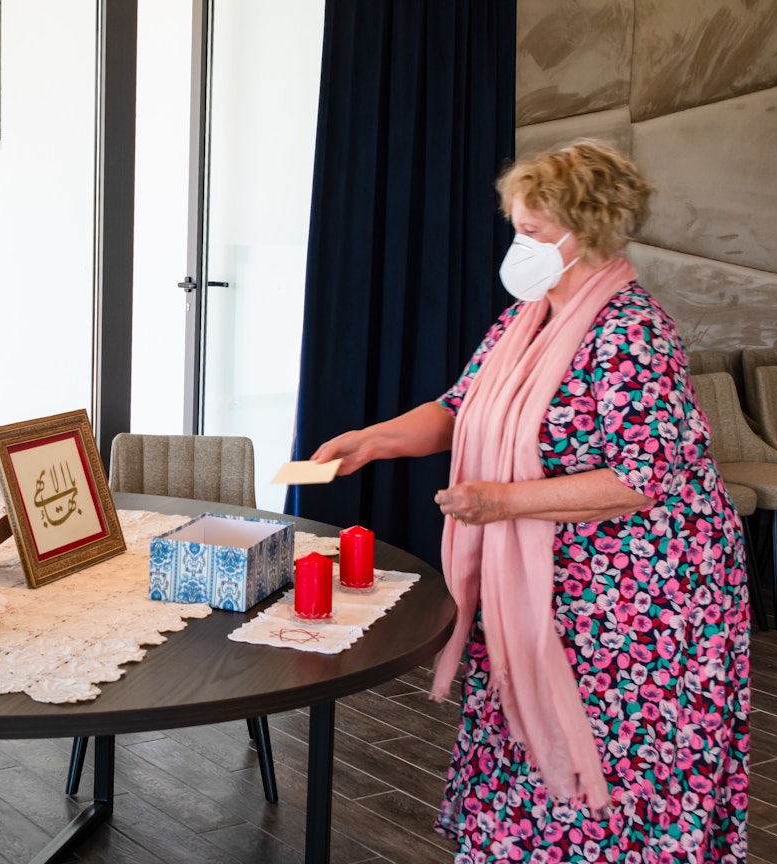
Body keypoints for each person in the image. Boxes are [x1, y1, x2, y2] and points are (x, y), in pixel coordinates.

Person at [311, 139, 749, 863]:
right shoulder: (525, 320)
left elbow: (642, 479)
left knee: (613, 760)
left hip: (641, 600)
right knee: (528, 744)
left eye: (534, 234)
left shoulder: (633, 332)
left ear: (593, 232)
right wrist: (376, 440)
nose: (519, 246)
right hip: (549, 583)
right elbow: (459, 407)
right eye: (516, 229)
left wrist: (504, 501)